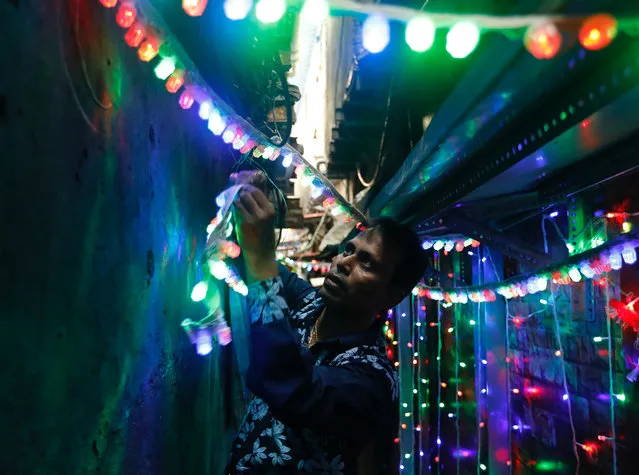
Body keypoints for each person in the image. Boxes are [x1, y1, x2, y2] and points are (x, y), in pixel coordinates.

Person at [225, 185, 428, 474]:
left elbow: (294, 389)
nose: (343, 262)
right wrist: (248, 195)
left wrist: (261, 257)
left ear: (391, 296)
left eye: (366, 262)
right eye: (349, 250)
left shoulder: (373, 379)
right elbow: (244, 253)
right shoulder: (307, 303)